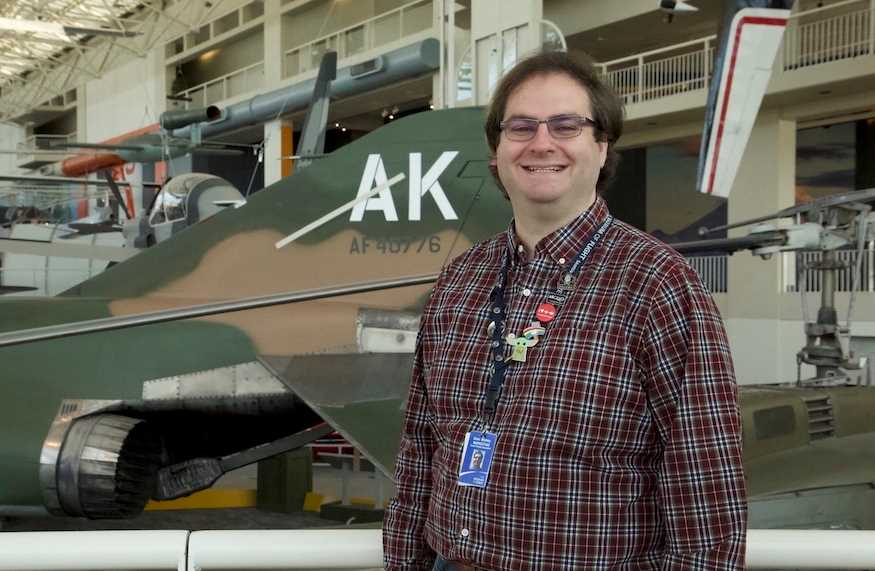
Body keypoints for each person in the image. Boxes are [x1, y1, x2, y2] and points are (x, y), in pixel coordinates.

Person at [383, 50, 747, 570]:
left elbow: (705, 481)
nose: (542, 142)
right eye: (521, 127)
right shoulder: (460, 279)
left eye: (566, 125)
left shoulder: (657, 283)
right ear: (496, 152)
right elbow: (421, 446)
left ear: (602, 147)